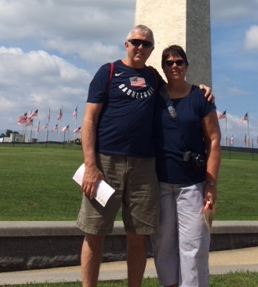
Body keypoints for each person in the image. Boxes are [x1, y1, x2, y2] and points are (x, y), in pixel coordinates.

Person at [77, 26, 213, 287]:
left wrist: (201, 89)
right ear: (126, 44)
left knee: (138, 234)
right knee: (94, 232)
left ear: (151, 49)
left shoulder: (152, 77)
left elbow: (177, 86)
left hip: (144, 166)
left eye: (146, 44)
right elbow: (89, 119)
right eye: (136, 42)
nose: (140, 47)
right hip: (107, 162)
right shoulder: (108, 72)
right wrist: (91, 165)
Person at [151, 45, 221, 287]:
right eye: (169, 63)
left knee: (194, 245)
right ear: (163, 68)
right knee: (163, 245)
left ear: (186, 65)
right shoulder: (154, 98)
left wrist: (211, 183)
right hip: (160, 182)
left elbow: (213, 140)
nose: (174, 66)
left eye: (179, 62)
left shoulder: (200, 97)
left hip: (192, 184)